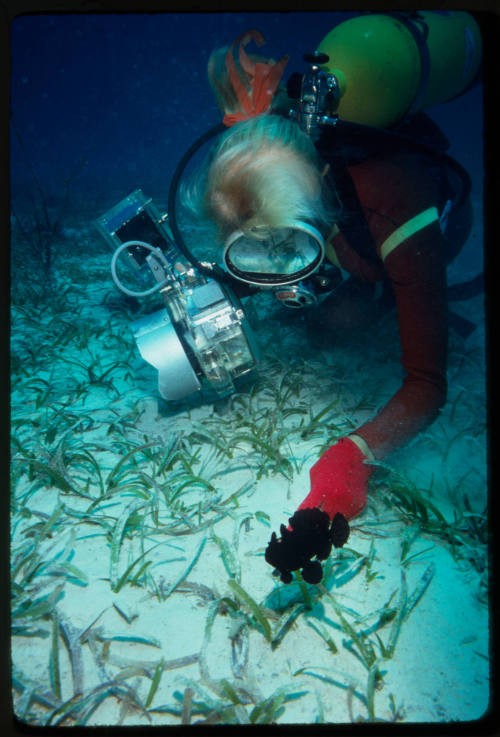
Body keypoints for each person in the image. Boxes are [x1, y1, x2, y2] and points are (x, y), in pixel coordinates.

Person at [185, 28, 475, 582]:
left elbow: (426, 385)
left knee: (357, 309)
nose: (278, 280)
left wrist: (352, 458)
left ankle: (376, 280)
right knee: (328, 324)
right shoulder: (275, 169)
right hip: (344, 235)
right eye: (253, 253)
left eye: (290, 247)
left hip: (411, 237)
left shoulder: (394, 204)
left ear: (320, 186)